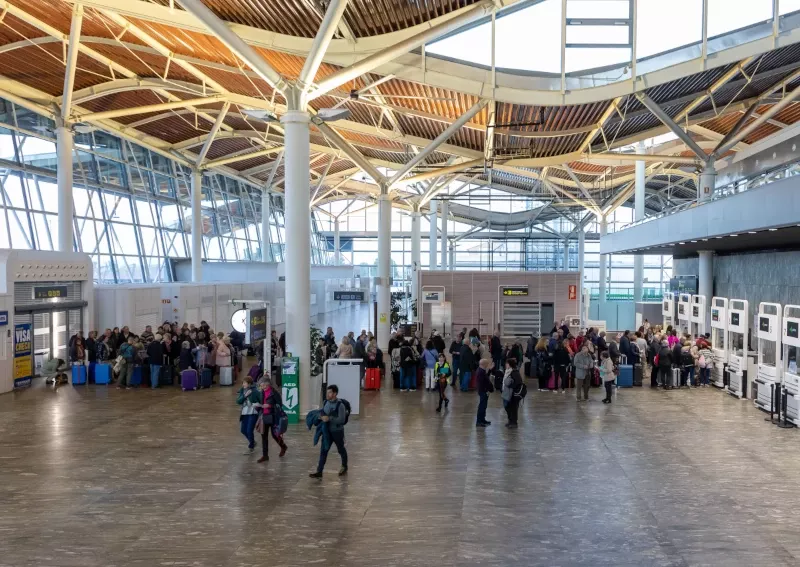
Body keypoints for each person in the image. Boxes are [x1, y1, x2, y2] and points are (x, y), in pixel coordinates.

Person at [309, 384, 348, 478]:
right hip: (327, 431)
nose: (328, 394)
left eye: (330, 392)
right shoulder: (326, 402)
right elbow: (323, 413)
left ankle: (344, 466)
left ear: (335, 393)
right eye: (327, 392)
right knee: (324, 450)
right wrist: (320, 417)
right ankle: (319, 471)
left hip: (337, 432)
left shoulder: (340, 405)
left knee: (341, 449)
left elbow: (342, 420)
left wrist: (329, 418)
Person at [257, 376, 287, 463]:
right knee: (264, 435)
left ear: (268, 384)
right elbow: (261, 402)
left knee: (275, 435)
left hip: (273, 416)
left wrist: (270, 406)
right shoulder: (262, 392)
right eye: (261, 386)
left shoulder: (274, 393)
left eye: (264, 386)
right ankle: (265, 455)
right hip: (264, 416)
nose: (262, 388)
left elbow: (279, 405)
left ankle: (283, 446)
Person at [236, 376, 261, 455]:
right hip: (244, 412)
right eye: (243, 383)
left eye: (245, 383)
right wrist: (244, 396)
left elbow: (261, 400)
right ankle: (253, 442)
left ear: (249, 383)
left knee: (249, 430)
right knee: (243, 430)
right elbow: (238, 401)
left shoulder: (255, 391)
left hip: (253, 412)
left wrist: (258, 405)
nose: (243, 384)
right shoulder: (242, 390)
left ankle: (251, 447)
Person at [501, 358, 522, 428]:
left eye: (507, 363)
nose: (505, 365)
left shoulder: (514, 372)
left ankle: (514, 422)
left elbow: (518, 383)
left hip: (513, 394)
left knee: (513, 408)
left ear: (510, 364)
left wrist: (510, 386)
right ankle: (510, 420)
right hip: (507, 392)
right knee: (507, 407)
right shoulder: (507, 371)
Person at [475, 358, 493, 426]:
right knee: (482, 406)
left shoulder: (482, 370)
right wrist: (487, 390)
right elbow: (482, 383)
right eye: (487, 364)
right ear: (484, 364)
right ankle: (479, 422)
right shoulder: (480, 372)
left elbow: (486, 379)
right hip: (483, 391)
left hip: (484, 391)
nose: (487, 365)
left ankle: (482, 419)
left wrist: (490, 370)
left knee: (484, 406)